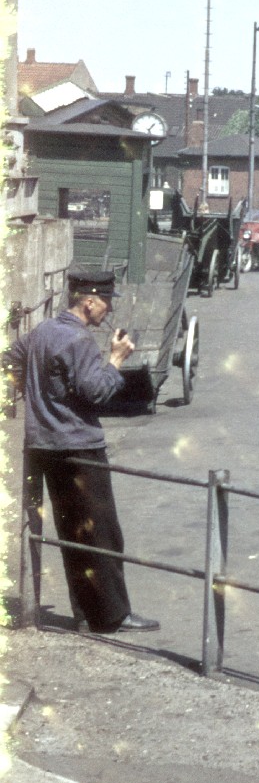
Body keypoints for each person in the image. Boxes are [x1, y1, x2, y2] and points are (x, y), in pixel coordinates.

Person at [4, 270, 158, 633]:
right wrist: (116, 359)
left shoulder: (43, 332)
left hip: (43, 446)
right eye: (106, 302)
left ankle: (86, 614)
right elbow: (96, 392)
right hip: (79, 449)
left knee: (71, 531)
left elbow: (9, 359)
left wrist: (44, 397)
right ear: (89, 301)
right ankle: (111, 616)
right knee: (102, 534)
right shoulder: (79, 340)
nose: (108, 311)